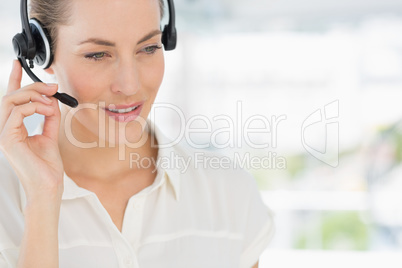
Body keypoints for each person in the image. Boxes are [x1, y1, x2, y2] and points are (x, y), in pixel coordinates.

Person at [0, 0, 274, 267]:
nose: (129, 85)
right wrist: (42, 202)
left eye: (148, 48)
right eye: (97, 55)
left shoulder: (228, 194)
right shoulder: (5, 202)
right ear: (40, 52)